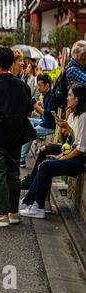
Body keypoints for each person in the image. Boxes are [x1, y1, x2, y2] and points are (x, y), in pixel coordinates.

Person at [0, 47, 33, 227]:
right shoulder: (23, 86)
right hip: (16, 135)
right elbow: (28, 110)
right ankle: (13, 212)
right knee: (13, 174)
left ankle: (1, 214)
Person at [20, 84, 86, 219]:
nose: (67, 98)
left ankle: (38, 206)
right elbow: (71, 142)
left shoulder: (84, 117)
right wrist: (60, 155)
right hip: (74, 154)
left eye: (70, 95)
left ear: (78, 99)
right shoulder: (76, 115)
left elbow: (81, 148)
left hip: (81, 160)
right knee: (46, 162)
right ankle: (29, 202)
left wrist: (62, 158)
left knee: (45, 166)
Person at [20, 73, 56, 168]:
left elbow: (49, 116)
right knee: (27, 122)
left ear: (47, 85)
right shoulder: (46, 95)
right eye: (38, 85)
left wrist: (37, 107)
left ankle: (22, 159)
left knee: (30, 131)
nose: (38, 88)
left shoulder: (52, 96)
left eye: (40, 85)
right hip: (43, 122)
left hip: (50, 125)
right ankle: (23, 155)